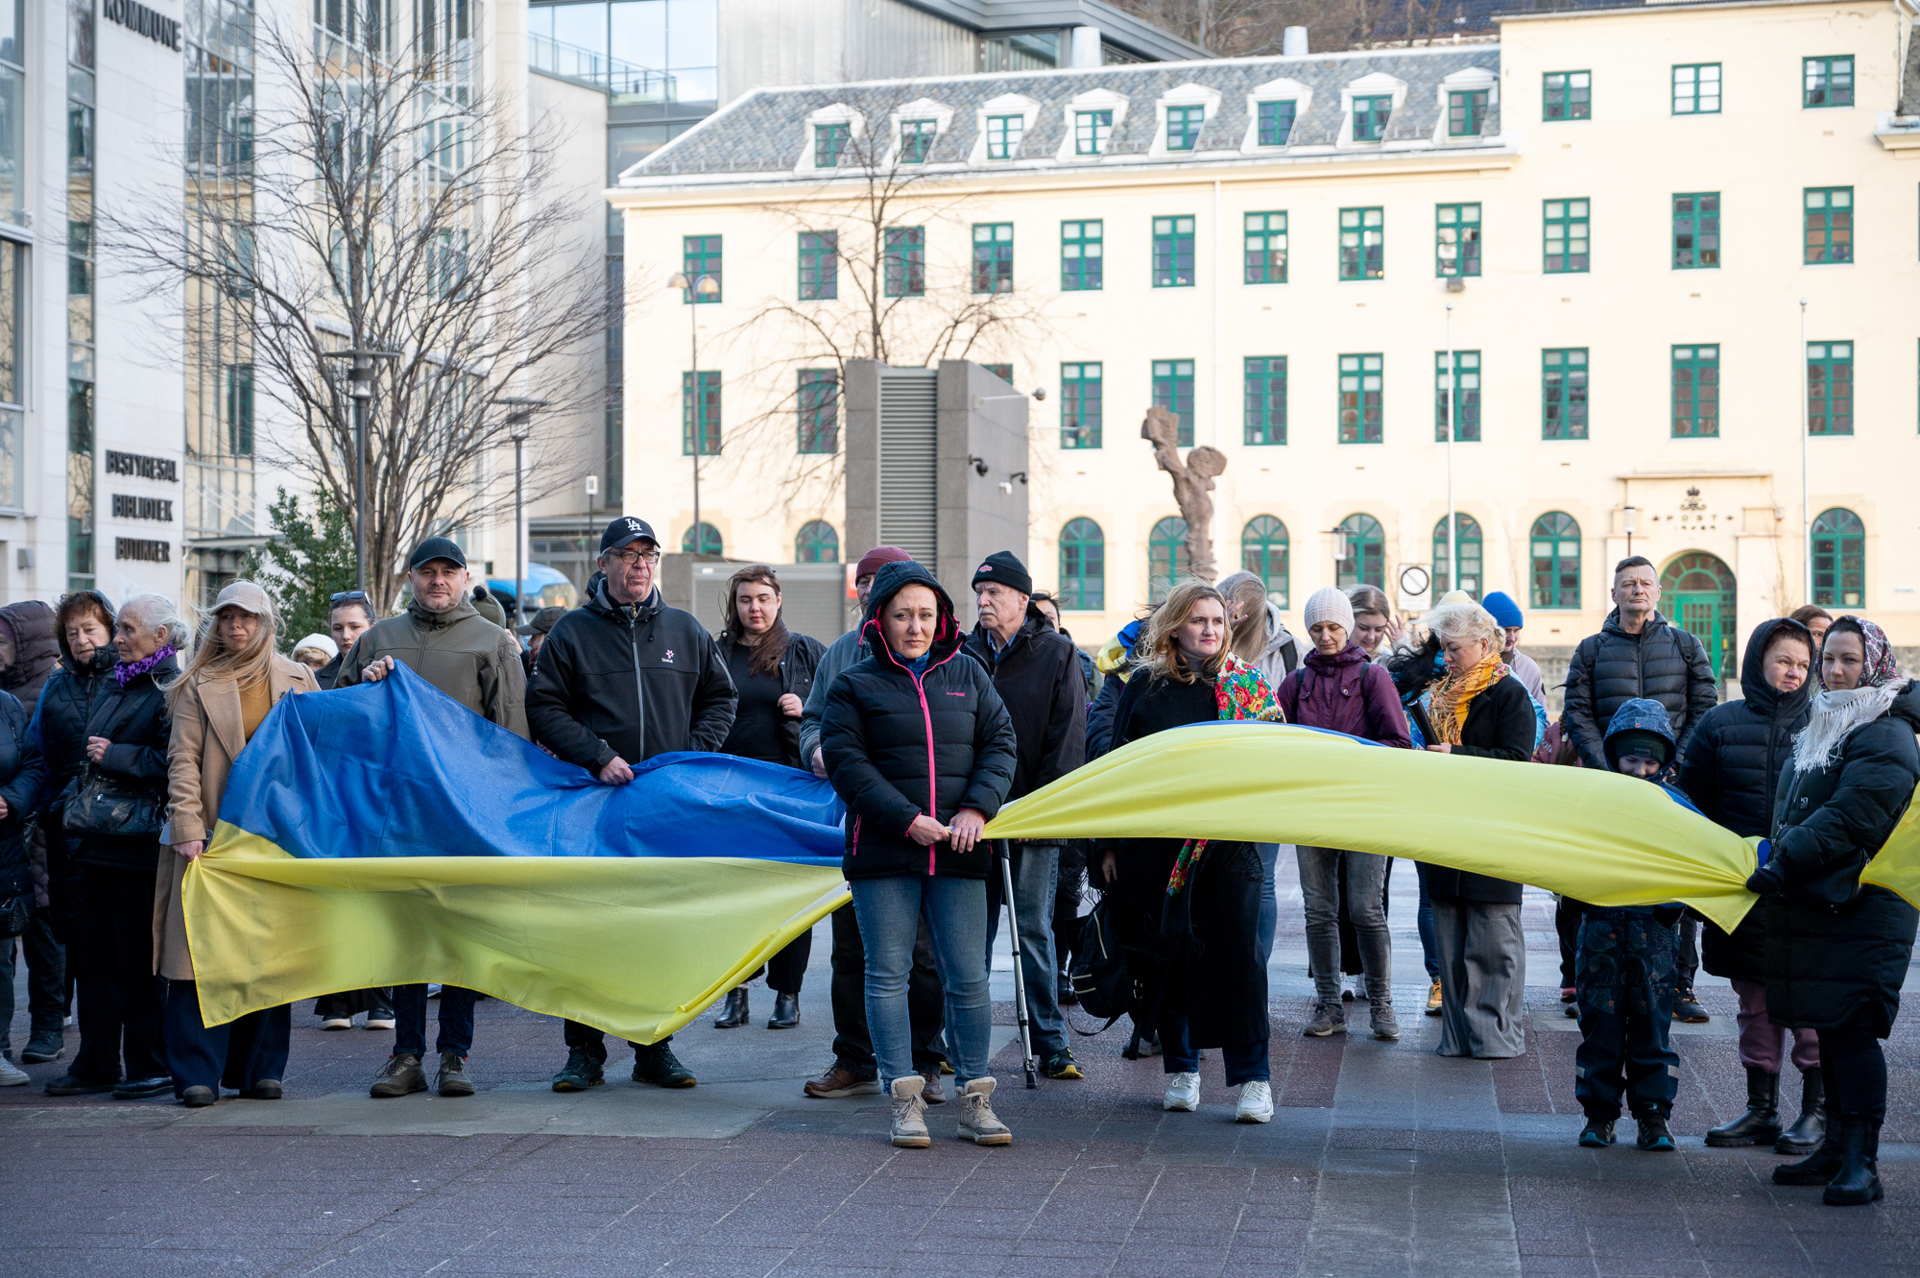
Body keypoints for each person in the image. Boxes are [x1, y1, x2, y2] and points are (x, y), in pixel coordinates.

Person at [527, 516, 735, 1093]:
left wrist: (688, 758)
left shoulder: (685, 630)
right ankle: (584, 1052)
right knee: (589, 926)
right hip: (593, 805)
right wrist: (596, 757)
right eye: (627, 555)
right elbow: (544, 708)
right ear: (604, 564)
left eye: (648, 555)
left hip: (665, 808)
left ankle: (654, 1046)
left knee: (656, 928)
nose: (639, 564)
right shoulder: (571, 634)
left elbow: (721, 699)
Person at [819, 559, 1018, 1148]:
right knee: (887, 975)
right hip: (884, 852)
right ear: (880, 618)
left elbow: (1000, 744)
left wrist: (976, 809)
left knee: (968, 979)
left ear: (941, 618)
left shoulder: (970, 674)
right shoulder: (853, 684)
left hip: (959, 850)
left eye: (926, 615)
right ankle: (904, 1101)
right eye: (903, 615)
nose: (915, 626)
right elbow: (847, 765)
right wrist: (907, 820)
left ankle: (976, 1101)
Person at [335, 536, 530, 1099]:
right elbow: (341, 714)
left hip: (466, 815)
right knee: (407, 936)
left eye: (448, 571)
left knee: (460, 938)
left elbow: (511, 734)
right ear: (411, 579)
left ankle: (455, 1055)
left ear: (465, 578)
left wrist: (503, 811)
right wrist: (366, 684)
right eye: (426, 572)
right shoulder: (378, 638)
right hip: (397, 815)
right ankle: (405, 1056)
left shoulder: (493, 643)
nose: (437, 581)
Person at [1749, 617, 1918, 1207]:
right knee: (1831, 1028)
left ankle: (1862, 1162)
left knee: (1854, 1033)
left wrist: (1785, 858)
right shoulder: (1824, 724)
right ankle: (1834, 1148)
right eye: (1829, 660)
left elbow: (1854, 816)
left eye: (1848, 659)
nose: (1836, 670)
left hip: (1866, 906)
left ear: (1873, 663)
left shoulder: (1887, 732)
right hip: (1823, 900)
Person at [1105, 581, 1283, 1124]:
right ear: (1175, 626)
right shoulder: (1144, 686)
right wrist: (1108, 844)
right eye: (1199, 620)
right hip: (1157, 845)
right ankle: (1182, 1069)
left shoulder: (1249, 686)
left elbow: (1277, 762)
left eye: (1218, 622)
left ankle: (1254, 1079)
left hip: (1227, 846)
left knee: (1239, 960)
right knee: (1168, 957)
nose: (1210, 630)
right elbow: (1118, 768)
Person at [796, 545, 951, 1101]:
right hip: (860, 825)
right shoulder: (841, 652)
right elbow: (812, 722)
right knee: (850, 950)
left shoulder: (944, 657)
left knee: (923, 955)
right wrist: (815, 749)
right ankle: (855, 1058)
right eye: (864, 581)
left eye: (881, 581)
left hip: (926, 829)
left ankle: (926, 1060)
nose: (870, 589)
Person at [158, 583, 320, 1106]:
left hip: (275, 839)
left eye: (246, 618)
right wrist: (187, 827)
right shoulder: (196, 683)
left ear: (266, 622)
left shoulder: (299, 678)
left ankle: (261, 1072)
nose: (236, 627)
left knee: (268, 956)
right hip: (209, 842)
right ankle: (196, 1075)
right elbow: (182, 762)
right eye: (226, 617)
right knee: (198, 959)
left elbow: (322, 758)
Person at [1678, 619, 1823, 1154]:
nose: (1794, 672)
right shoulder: (1720, 724)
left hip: (1808, 891)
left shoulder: (1827, 724)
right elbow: (1690, 809)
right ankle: (1761, 1109)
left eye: (1803, 664)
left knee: (1808, 1006)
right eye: (1785, 660)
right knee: (1756, 1005)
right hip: (1746, 892)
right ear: (1759, 659)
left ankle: (1816, 1110)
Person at [1564, 556, 1719, 1022]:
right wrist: (1608, 763)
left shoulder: (1686, 646)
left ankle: (1680, 986)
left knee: (1674, 882)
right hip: (1609, 783)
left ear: (1657, 593)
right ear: (1613, 594)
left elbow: (1704, 707)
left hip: (1667, 784)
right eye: (1627, 583)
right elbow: (1578, 711)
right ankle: (1586, 979)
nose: (1637, 590)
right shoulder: (1591, 649)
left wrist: (1672, 763)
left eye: (1645, 583)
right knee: (1594, 878)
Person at [43, 595, 183, 1099]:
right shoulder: (117, 683)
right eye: (118, 628)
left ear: (161, 636)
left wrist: (118, 754)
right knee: (95, 959)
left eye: (126, 628)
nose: (116, 637)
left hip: (140, 845)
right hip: (98, 840)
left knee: (136, 959)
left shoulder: (171, 688)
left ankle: (148, 1062)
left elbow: (177, 765)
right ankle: (96, 1062)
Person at [961, 551, 1088, 1081]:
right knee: (972, 932)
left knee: (1033, 929)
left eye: (994, 593)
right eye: (979, 593)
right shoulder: (963, 653)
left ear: (1020, 598)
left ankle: (1051, 1041)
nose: (984, 601)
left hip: (1032, 818)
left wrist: (1040, 811)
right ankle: (959, 1038)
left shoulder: (1056, 653)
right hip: (972, 819)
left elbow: (1068, 738)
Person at [1277, 588, 1411, 1041]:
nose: (1326, 636)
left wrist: (1345, 758)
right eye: (1317, 629)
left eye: (1334, 627)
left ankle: (1381, 1003)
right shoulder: (1296, 683)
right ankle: (1329, 1004)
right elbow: (1280, 746)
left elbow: (1398, 743)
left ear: (1346, 627)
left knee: (1365, 908)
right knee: (1320, 910)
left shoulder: (1373, 677)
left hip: (1364, 809)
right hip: (1313, 808)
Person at [1419, 601, 1537, 1060]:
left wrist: (1456, 756)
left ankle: (1494, 1039)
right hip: (1448, 828)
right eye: (1443, 648)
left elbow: (1517, 762)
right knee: (1450, 940)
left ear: (1485, 645)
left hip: (1494, 832)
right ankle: (1457, 1038)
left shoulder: (1510, 694)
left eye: (1453, 649)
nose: (1445, 658)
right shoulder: (1440, 694)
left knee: (1492, 940)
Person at [709, 565, 825, 1032]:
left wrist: (808, 704)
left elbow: (839, 708)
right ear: (733, 605)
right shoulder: (716, 653)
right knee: (731, 895)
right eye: (744, 600)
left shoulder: (804, 651)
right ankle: (735, 992)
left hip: (788, 789)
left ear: (778, 601)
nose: (753, 608)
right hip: (729, 790)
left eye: (762, 598)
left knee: (789, 896)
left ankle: (787, 994)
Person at [1573, 699, 1687, 1153]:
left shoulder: (1675, 804)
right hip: (1600, 931)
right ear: (1614, 756)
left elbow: (1688, 859)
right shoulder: (1594, 802)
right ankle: (1598, 1115)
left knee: (1652, 1028)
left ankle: (1654, 1116)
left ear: (1664, 762)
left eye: (1650, 761)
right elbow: (1571, 854)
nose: (1640, 770)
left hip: (1655, 938)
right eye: (1631, 759)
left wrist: (1673, 905)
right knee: (1599, 1026)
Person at [29, 592, 118, 1068]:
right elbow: (37, 754)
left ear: (109, 629)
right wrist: (42, 809)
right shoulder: (54, 686)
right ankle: (95, 1055)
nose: (82, 640)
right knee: (80, 947)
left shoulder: (129, 677)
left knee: (122, 947)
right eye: (72, 632)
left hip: (119, 832)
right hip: (66, 833)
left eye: (91, 629)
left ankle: (143, 1056)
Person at [0, 600, 63, 1072]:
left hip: (41, 828)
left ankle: (47, 1024)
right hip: (11, 834)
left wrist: (16, 799)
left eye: (2, 640)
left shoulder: (52, 689)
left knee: (42, 929)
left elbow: (39, 763)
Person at [1481, 591, 1546, 706]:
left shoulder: (1530, 668)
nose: (1512, 637)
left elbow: (1543, 717)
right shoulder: (1472, 665)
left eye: (1516, 630)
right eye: (1506, 630)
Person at [314, 591, 375, 690]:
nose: (346, 636)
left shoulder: (390, 668)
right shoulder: (316, 679)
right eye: (338, 628)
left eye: (354, 627)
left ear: (373, 629)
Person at [1345, 585, 1399, 662]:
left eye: (1379, 629)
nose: (1371, 637)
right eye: (1363, 628)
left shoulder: (1389, 661)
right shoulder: (1329, 658)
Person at [516, 606, 566, 680]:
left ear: (546, 639)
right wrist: (521, 655)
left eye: (535, 637)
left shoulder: (548, 674)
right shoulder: (558, 669)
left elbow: (534, 687)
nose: (529, 642)